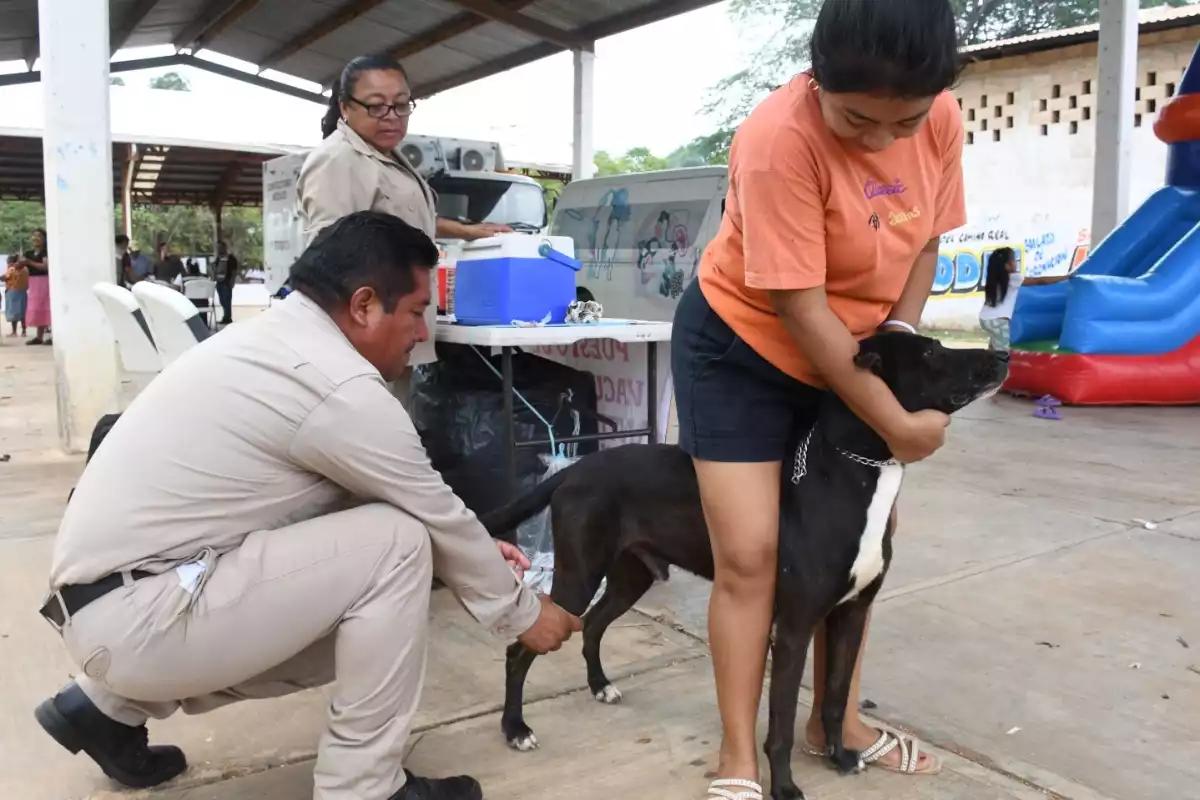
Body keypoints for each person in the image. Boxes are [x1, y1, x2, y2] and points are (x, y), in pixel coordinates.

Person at [35, 212, 581, 800]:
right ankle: (364, 787)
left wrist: (467, 556)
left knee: (402, 559)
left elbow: (358, 501)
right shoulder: (337, 384)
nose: (423, 333)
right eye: (418, 310)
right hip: (141, 615)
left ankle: (103, 710)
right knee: (400, 546)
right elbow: (430, 511)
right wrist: (525, 616)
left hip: (113, 605)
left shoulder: (273, 341)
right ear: (365, 304)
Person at [671, 2, 967, 796]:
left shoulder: (939, 115)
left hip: (857, 349)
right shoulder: (778, 141)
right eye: (856, 118)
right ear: (815, 80)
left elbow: (928, 235)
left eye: (901, 123)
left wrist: (899, 342)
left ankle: (835, 721)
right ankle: (739, 754)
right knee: (751, 555)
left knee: (859, 549)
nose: (879, 140)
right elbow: (800, 309)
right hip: (743, 347)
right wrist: (899, 422)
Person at [298, 54, 511, 372]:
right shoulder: (338, 160)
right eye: (376, 106)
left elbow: (403, 222)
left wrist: (469, 231)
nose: (391, 116)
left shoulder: (385, 153)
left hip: (392, 329)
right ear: (345, 106)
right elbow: (331, 255)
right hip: (366, 340)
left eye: (401, 105)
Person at [979, 247, 1064, 351]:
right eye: (1014, 261)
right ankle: (999, 367)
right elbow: (1040, 281)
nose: (1016, 263)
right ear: (1007, 265)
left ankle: (988, 364)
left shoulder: (993, 279)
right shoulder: (1014, 278)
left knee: (994, 347)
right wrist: (1065, 277)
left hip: (985, 319)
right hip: (999, 321)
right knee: (1003, 353)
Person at [21, 227, 51, 345]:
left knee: (47, 307)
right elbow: (24, 268)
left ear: (44, 239)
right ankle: (39, 337)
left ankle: (53, 336)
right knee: (38, 309)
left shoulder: (45, 252)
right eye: (34, 235)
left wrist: (29, 262)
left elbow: (45, 267)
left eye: (39, 236)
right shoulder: (29, 253)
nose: (36, 238)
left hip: (44, 280)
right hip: (33, 282)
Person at [212, 240, 239, 326]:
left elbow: (234, 271)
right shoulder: (218, 258)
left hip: (226, 282)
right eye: (217, 247)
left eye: (220, 247)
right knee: (222, 301)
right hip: (219, 282)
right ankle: (225, 316)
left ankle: (228, 318)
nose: (218, 249)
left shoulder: (230, 258)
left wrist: (232, 281)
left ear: (224, 248)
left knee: (227, 301)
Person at [4, 253, 28, 337]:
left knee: (13, 312)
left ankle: (14, 332)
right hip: (22, 292)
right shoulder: (25, 269)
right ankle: (24, 331)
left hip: (13, 291)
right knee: (22, 311)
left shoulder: (12, 269)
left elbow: (5, 278)